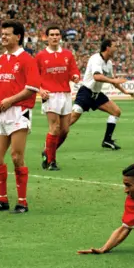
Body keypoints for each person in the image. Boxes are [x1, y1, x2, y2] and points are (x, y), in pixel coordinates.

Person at [0, 20, 40, 214]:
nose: (3, 37)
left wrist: (10, 100)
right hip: (2, 112)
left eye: (7, 34)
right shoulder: (1, 60)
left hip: (19, 111)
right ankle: (2, 199)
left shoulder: (27, 59)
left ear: (18, 36)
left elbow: (32, 88)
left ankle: (22, 202)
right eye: (2, 34)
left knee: (17, 156)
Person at [70, 39, 134, 150]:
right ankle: (52, 139)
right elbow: (97, 77)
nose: (116, 49)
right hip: (86, 92)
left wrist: (125, 92)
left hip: (96, 95)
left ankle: (107, 140)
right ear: (108, 48)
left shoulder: (108, 63)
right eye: (115, 46)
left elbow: (112, 79)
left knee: (116, 111)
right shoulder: (96, 59)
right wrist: (114, 81)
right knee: (72, 119)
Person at [36, 25, 80, 170]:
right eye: (52, 34)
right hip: (50, 95)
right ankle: (51, 162)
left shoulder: (68, 54)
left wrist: (75, 77)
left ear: (60, 37)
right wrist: (40, 90)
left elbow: (74, 71)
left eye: (57, 34)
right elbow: (34, 78)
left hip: (66, 94)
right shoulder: (41, 56)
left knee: (65, 130)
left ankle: (47, 151)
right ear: (47, 37)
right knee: (54, 128)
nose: (54, 37)